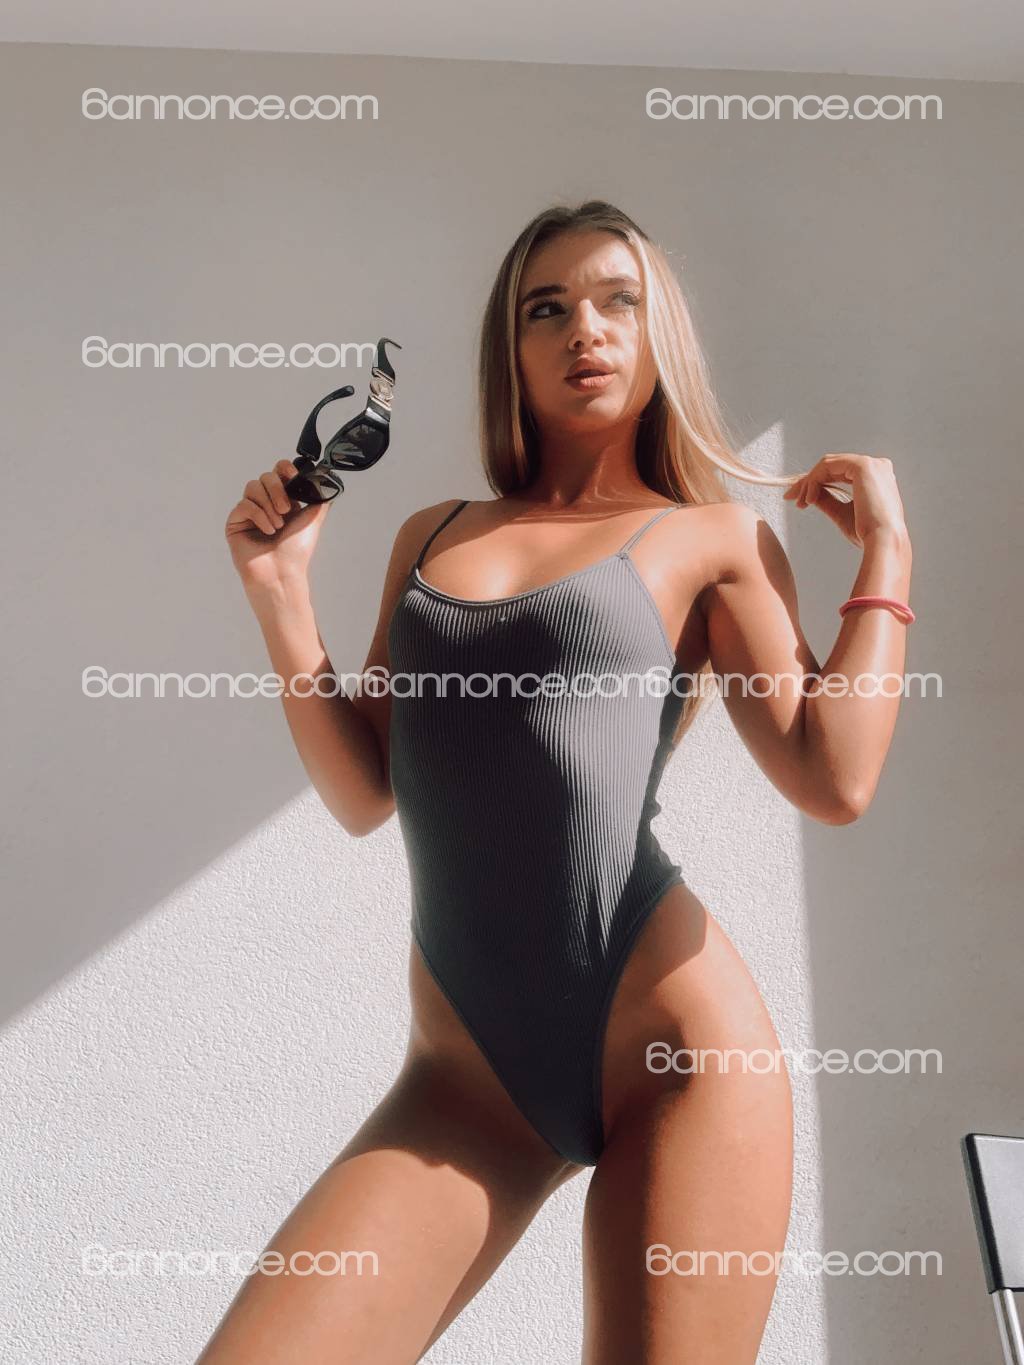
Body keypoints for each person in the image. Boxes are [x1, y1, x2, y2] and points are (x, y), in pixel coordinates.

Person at [209, 200, 913, 1364]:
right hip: (462, 1081)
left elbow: (833, 778)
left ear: (656, 336)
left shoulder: (713, 539)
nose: (584, 328)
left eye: (615, 301)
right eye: (548, 308)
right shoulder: (433, 535)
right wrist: (281, 596)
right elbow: (365, 792)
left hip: (681, 1059)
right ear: (512, 350)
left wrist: (887, 551)